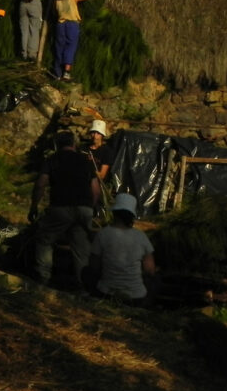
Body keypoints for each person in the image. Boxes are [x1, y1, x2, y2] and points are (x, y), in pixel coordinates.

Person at [28, 131, 101, 285]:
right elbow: (95, 189)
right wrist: (91, 208)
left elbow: (40, 184)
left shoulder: (52, 159)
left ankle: (42, 277)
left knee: (44, 239)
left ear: (57, 145)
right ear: (74, 144)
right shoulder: (85, 160)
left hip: (61, 206)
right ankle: (83, 285)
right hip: (84, 208)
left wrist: (34, 206)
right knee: (81, 248)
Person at [87, 193, 155, 306]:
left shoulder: (103, 234)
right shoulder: (141, 236)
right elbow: (150, 270)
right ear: (131, 216)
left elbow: (94, 266)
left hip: (106, 293)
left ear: (114, 213)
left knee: (85, 272)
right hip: (136, 297)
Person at [53, 0, 89, 81]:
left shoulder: (56, 0)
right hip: (72, 25)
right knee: (70, 47)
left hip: (60, 25)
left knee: (59, 47)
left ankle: (57, 73)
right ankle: (66, 72)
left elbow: (54, 13)